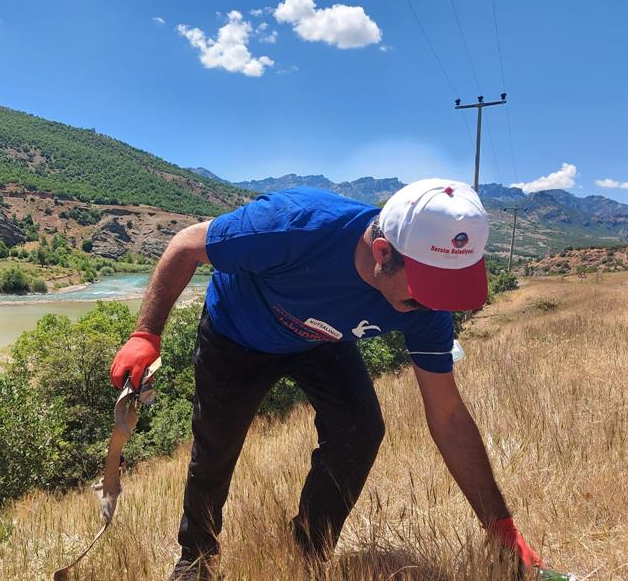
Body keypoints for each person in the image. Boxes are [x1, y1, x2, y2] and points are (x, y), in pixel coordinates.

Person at [110, 179, 543, 580]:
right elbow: (186, 245)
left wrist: (500, 527)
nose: (434, 305)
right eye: (427, 288)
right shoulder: (292, 225)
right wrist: (145, 335)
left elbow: (448, 417)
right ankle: (196, 559)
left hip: (319, 339)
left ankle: (307, 550)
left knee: (361, 428)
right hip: (238, 334)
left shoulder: (428, 310)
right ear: (382, 253)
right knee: (216, 446)